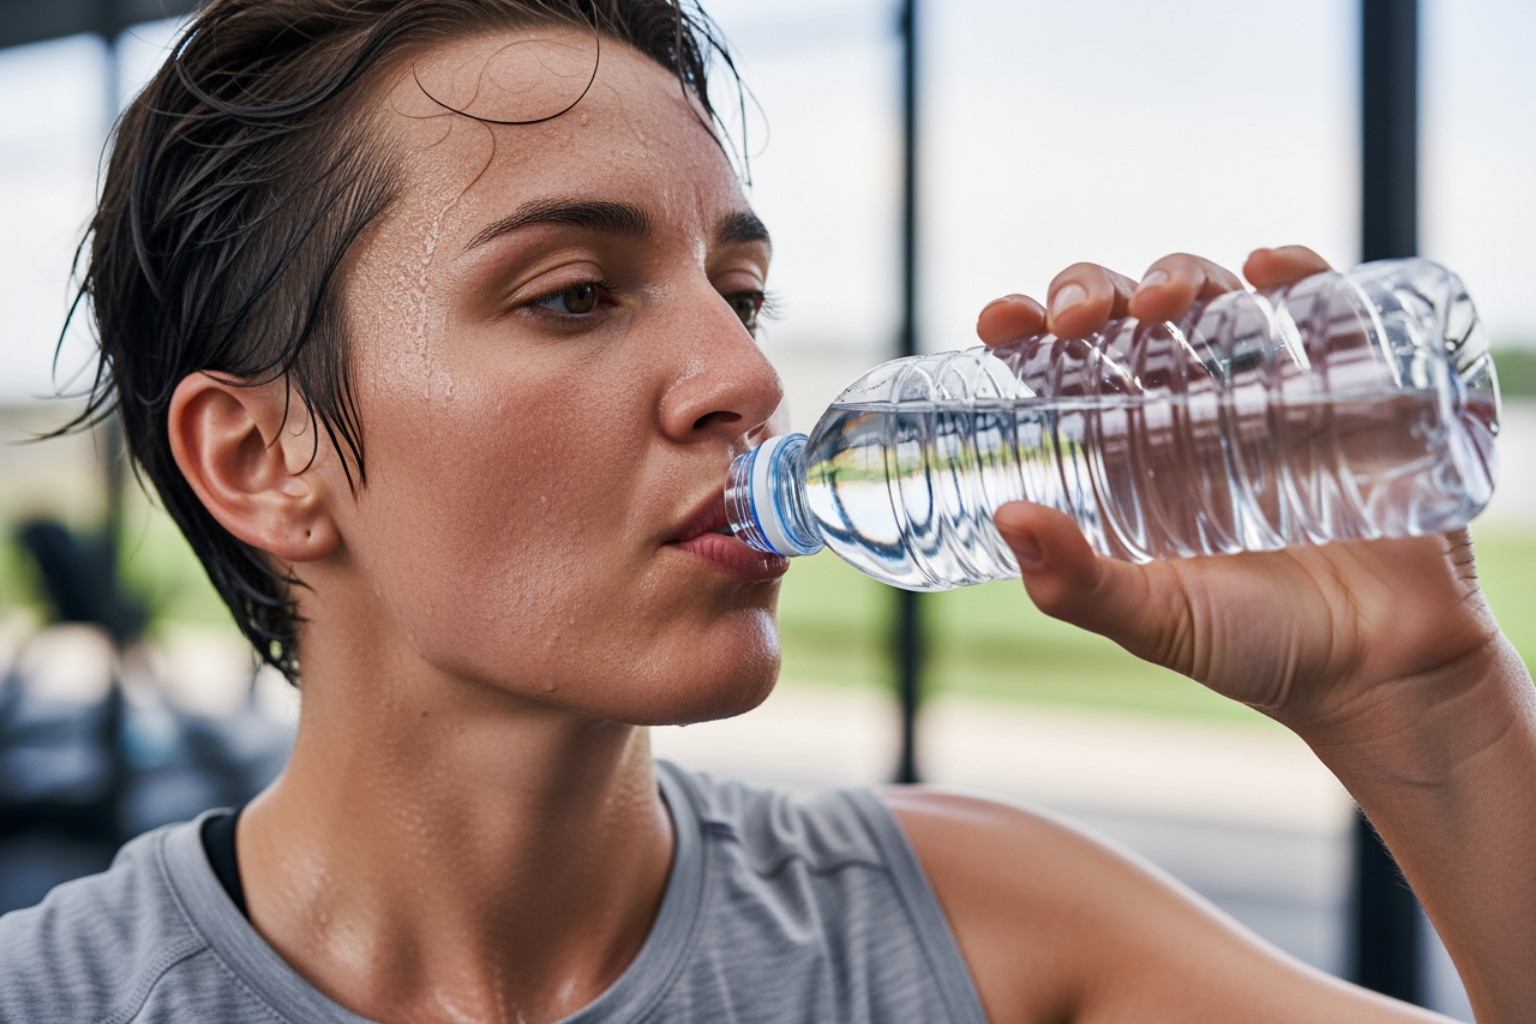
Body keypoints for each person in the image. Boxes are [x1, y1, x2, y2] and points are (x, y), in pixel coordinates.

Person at [1, 1, 1532, 1021]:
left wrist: (1431, 707)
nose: (744, 376)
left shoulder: (981, 937)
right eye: (573, 293)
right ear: (259, 459)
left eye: (739, 292)